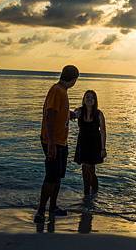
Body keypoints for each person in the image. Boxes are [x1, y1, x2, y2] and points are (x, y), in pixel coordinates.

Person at [34, 65, 79, 223]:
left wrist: (70, 114)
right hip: (52, 141)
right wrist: (52, 143)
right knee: (51, 177)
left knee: (58, 176)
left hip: (61, 141)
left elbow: (58, 113)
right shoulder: (57, 90)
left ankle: (52, 207)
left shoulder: (62, 92)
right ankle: (40, 211)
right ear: (74, 79)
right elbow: (50, 115)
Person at [74, 90, 107, 196]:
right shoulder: (79, 111)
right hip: (82, 143)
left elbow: (102, 131)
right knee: (84, 168)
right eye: (87, 97)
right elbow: (69, 118)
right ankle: (86, 193)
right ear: (83, 99)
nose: (89, 99)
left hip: (94, 144)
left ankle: (94, 191)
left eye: (92, 98)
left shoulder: (99, 114)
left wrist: (103, 148)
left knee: (91, 170)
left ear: (95, 100)